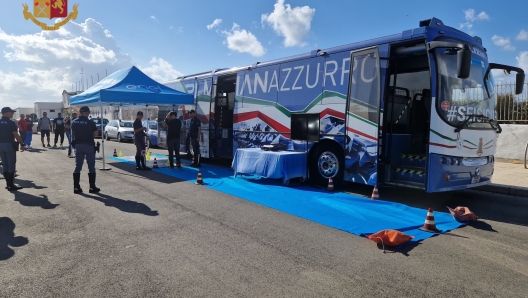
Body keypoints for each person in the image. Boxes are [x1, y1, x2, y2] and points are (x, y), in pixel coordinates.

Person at [71, 106, 100, 194]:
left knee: (78, 166)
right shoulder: (90, 122)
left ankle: (76, 187)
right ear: (87, 113)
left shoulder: (74, 122)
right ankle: (92, 187)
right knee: (91, 166)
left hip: (78, 145)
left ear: (80, 112)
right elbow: (95, 134)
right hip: (88, 145)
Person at [0, 107, 26, 191]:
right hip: (9, 145)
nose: (12, 113)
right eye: (11, 112)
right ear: (6, 113)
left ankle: (8, 184)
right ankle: (11, 185)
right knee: (11, 164)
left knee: (5, 164)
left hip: (0, 145)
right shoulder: (10, 123)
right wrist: (22, 144)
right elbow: (16, 134)